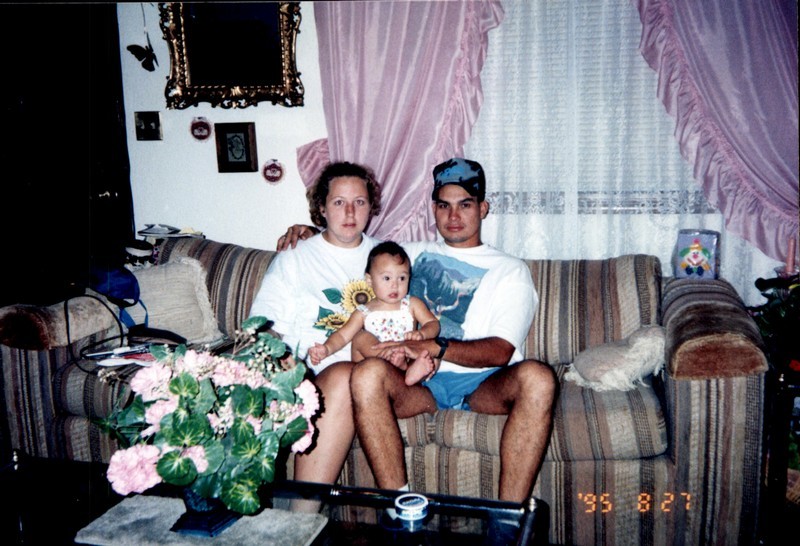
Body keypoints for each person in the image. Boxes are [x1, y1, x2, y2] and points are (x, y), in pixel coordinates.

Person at [279, 158, 557, 516]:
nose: (453, 216)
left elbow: (500, 351)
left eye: (465, 205)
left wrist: (431, 346)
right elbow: (353, 250)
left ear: (483, 209)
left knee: (539, 377)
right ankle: (400, 507)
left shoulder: (511, 270)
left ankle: (507, 519)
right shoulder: (409, 254)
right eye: (443, 205)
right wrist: (311, 233)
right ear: (433, 209)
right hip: (417, 385)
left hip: (482, 383)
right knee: (366, 373)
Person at [248, 161, 382, 504]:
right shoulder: (295, 259)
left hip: (373, 380)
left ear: (371, 206)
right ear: (321, 207)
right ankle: (301, 517)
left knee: (350, 373)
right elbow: (262, 329)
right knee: (342, 375)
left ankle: (300, 518)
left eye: (359, 202)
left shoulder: (388, 257)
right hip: (312, 376)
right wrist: (284, 364)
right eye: (339, 202)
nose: (350, 212)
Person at [307, 241, 440, 386]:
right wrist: (327, 348)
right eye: (387, 278)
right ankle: (392, 361)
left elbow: (433, 323)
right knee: (360, 337)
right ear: (370, 280)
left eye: (402, 278)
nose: (395, 285)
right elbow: (342, 336)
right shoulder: (364, 311)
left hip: (407, 359)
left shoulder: (412, 304)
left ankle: (411, 372)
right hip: (375, 367)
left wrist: (422, 334)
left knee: (433, 351)